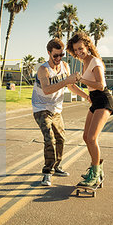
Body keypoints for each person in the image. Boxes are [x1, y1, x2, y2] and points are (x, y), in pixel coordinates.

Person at [32, 38, 89, 186]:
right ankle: (47, 172)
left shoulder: (64, 66)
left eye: (61, 55)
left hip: (56, 109)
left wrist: (87, 96)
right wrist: (66, 81)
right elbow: (47, 89)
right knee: (49, 139)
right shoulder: (43, 69)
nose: (58, 58)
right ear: (49, 53)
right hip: (41, 108)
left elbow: (71, 86)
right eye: (55, 55)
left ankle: (57, 166)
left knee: (61, 139)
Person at [66, 32, 113, 187]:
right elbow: (84, 86)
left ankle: (95, 174)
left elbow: (101, 85)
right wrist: (85, 94)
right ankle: (97, 169)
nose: (79, 52)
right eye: (76, 50)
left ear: (87, 46)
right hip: (94, 101)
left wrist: (81, 79)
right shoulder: (84, 62)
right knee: (86, 137)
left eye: (81, 48)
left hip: (103, 100)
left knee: (92, 138)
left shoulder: (94, 61)